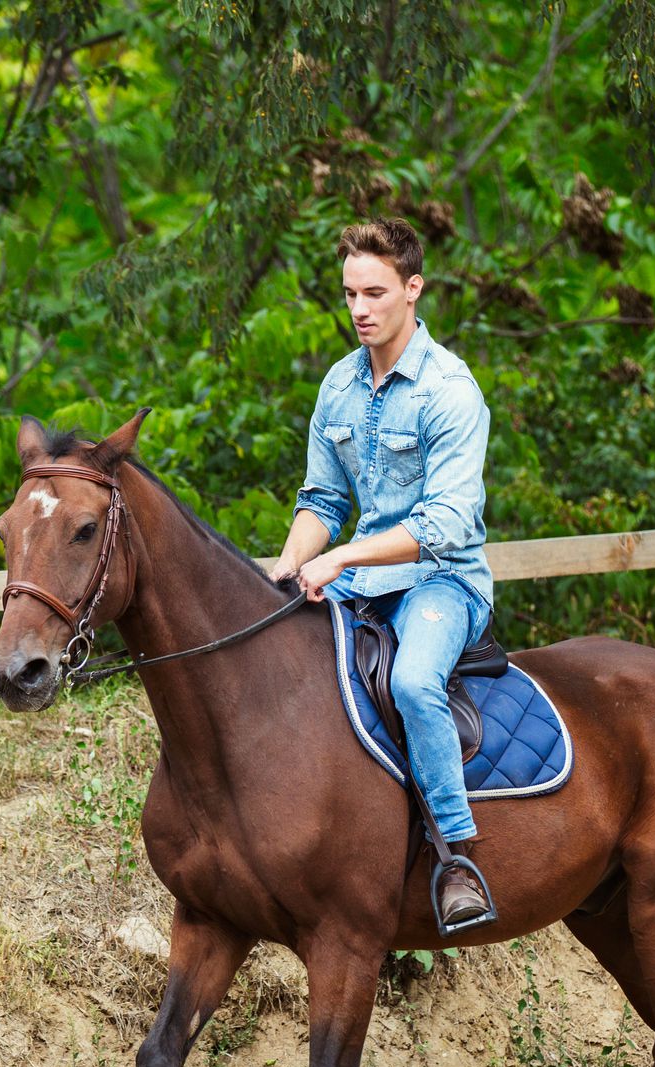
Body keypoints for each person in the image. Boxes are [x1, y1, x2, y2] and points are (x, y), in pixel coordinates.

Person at [270, 217, 497, 932]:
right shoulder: (338, 385)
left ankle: (455, 857)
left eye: (374, 293)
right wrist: (287, 564)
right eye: (348, 295)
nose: (359, 309)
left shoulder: (449, 391)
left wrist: (338, 556)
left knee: (411, 683)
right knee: (277, 659)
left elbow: (447, 524)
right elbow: (322, 500)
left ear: (412, 289)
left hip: (442, 582)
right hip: (360, 579)